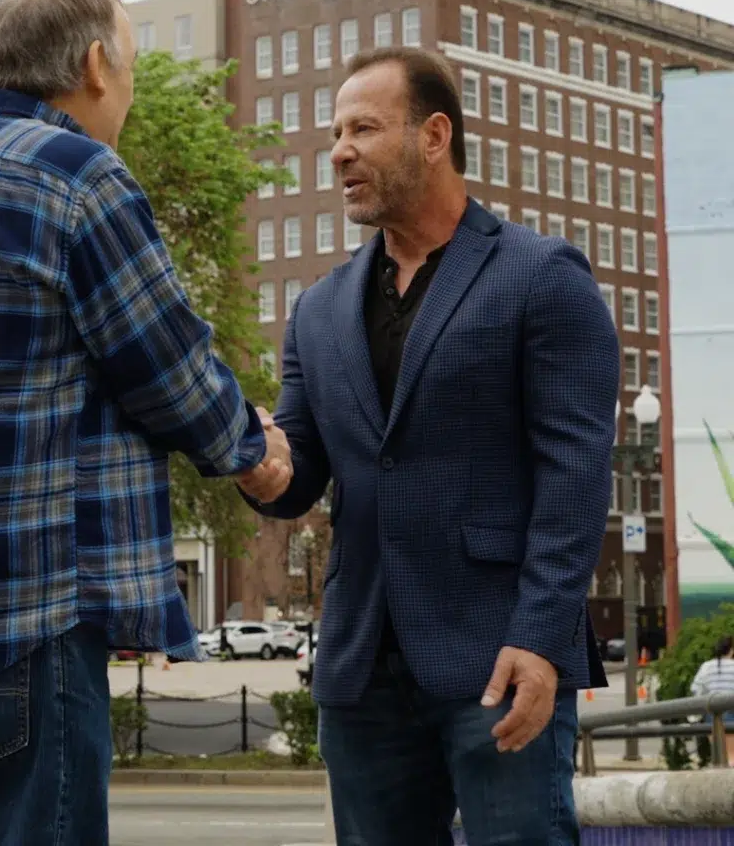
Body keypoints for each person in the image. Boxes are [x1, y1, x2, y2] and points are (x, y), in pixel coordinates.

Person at [0, 0, 291, 846]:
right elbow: (164, 362)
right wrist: (255, 448)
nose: (125, 97)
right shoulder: (77, 175)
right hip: (22, 626)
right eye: (127, 71)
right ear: (95, 64)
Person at [238, 46, 618, 845]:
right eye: (336, 132)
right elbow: (299, 472)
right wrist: (256, 458)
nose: (339, 150)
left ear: (434, 135)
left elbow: (575, 477)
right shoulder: (318, 309)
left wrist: (540, 640)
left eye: (363, 129)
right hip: (362, 668)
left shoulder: (544, 276)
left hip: (499, 659)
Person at [691, 635, 734, 764]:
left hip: (711, 715)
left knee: (718, 754)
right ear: (731, 650)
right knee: (732, 755)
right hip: (732, 712)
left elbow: (696, 689)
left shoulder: (706, 667)